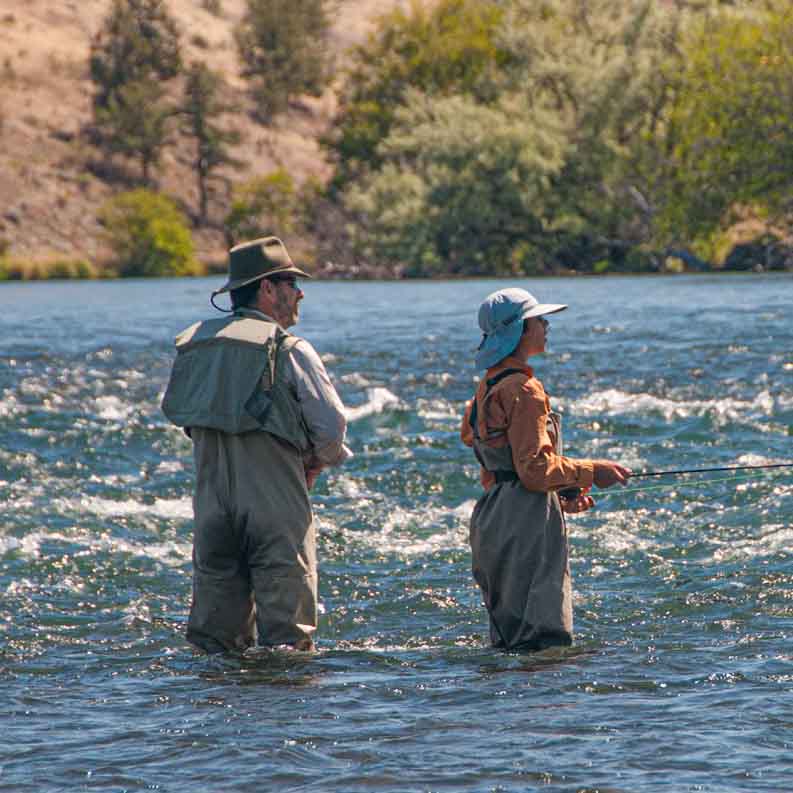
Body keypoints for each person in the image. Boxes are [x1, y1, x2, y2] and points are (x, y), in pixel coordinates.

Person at [162, 236, 351, 653]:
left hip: (211, 506)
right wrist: (316, 463)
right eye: (290, 282)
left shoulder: (196, 344)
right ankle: (282, 716)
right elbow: (332, 427)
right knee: (288, 641)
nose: (300, 292)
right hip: (274, 502)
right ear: (267, 288)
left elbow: (180, 415)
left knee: (214, 644)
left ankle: (219, 715)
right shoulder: (290, 349)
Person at [460, 288, 631, 652]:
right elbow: (535, 470)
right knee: (544, 642)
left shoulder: (486, 388)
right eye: (539, 320)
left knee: (509, 641)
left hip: (492, 517)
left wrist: (560, 495)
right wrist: (591, 471)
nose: (546, 325)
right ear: (521, 330)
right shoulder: (525, 389)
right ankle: (544, 709)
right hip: (526, 523)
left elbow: (500, 465)